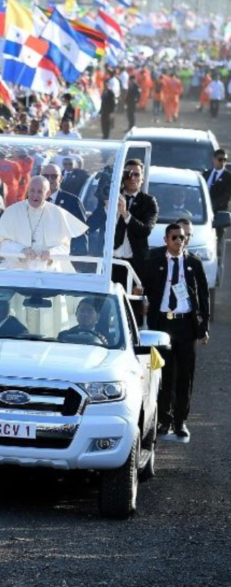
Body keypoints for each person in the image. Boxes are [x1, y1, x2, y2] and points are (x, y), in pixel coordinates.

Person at [143, 223, 210, 443]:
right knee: (163, 373)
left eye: (182, 238)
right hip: (162, 324)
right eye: (175, 238)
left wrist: (203, 327)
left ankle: (180, 421)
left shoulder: (193, 262)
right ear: (166, 240)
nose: (179, 241)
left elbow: (203, 295)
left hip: (185, 325)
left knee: (185, 375)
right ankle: (164, 419)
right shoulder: (155, 261)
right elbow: (144, 287)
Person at [0, 176, 89, 271]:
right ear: (27, 191)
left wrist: (51, 253)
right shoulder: (13, 211)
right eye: (32, 191)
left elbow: (64, 246)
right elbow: (3, 243)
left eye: (40, 192)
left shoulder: (58, 214)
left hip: (49, 271)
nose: (35, 195)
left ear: (47, 194)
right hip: (17, 271)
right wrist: (20, 251)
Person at [108, 159, 158, 303]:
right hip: (111, 262)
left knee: (132, 308)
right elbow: (96, 224)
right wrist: (106, 207)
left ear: (142, 178)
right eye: (128, 174)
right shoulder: (111, 196)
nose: (132, 178)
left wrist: (125, 213)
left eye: (136, 174)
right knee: (105, 307)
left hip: (133, 265)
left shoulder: (148, 202)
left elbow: (145, 230)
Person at [203, 149, 231, 214]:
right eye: (220, 159)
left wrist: (212, 205)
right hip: (204, 210)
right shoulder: (206, 174)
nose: (223, 162)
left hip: (219, 212)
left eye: (225, 160)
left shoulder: (228, 177)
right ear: (214, 159)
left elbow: (226, 196)